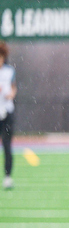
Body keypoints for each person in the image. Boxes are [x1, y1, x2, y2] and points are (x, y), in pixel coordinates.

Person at [0, 41, 16, 190]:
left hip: (6, 113)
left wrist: (9, 95)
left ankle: (7, 177)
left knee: (7, 146)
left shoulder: (9, 71)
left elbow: (13, 89)